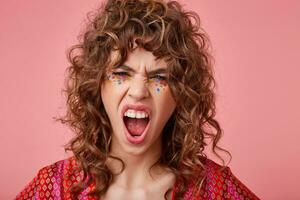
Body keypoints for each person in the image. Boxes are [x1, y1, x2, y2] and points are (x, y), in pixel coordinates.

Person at [16, 0, 260, 199]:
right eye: (122, 73)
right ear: (97, 84)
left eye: (159, 77)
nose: (138, 91)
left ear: (180, 94)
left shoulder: (215, 190)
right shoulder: (54, 188)